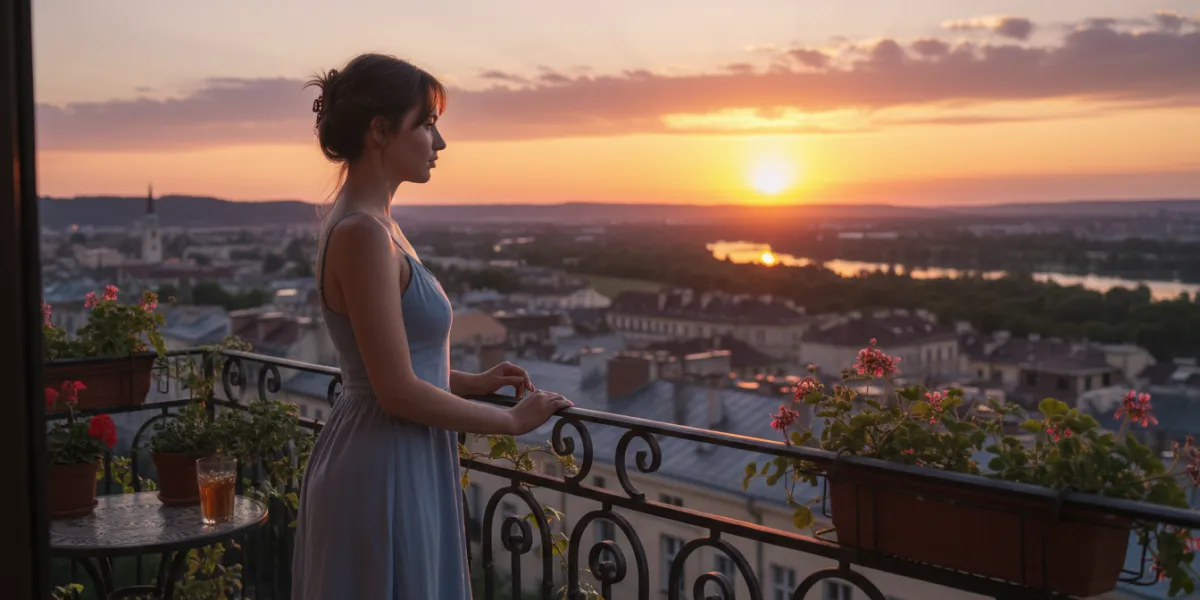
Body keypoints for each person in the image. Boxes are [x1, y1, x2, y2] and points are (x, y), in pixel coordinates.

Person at [291, 53, 573, 599]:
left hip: (395, 448)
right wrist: (512, 421)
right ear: (380, 131)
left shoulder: (374, 225)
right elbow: (394, 390)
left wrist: (467, 382)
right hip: (383, 459)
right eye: (426, 124)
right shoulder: (363, 233)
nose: (438, 142)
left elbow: (382, 363)